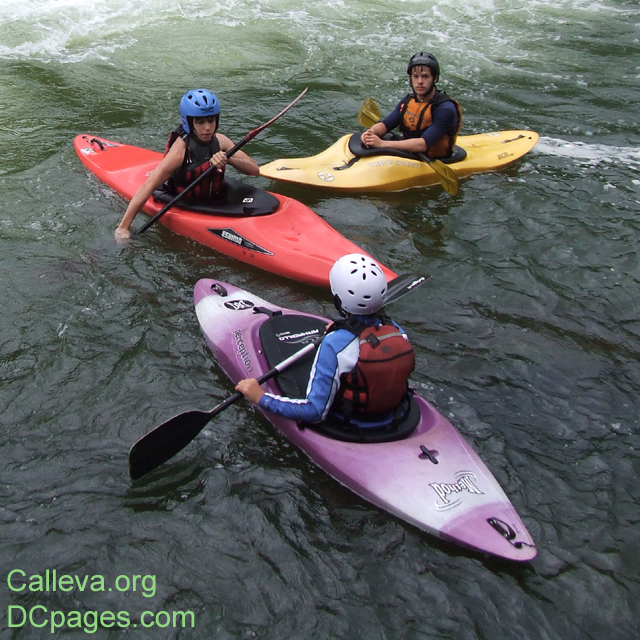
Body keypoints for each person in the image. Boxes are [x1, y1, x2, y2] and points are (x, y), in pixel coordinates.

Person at [235, 253, 416, 427]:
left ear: (338, 300)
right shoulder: (397, 332)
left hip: (351, 423)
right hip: (394, 415)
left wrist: (261, 397)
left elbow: (315, 412)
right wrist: (343, 329)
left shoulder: (334, 345)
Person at [115, 89, 260, 242]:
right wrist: (123, 227)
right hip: (187, 201)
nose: (207, 127)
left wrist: (228, 158)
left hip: (215, 199)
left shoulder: (221, 141)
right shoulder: (180, 151)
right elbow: (148, 186)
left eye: (211, 120)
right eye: (200, 122)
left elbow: (254, 170)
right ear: (189, 123)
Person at [361, 52, 462, 159]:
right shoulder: (408, 101)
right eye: (416, 76)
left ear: (435, 78)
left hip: (435, 159)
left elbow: (423, 144)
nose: (420, 82)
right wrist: (371, 132)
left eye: (425, 77)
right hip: (410, 154)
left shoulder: (445, 109)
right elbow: (386, 124)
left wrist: (382, 144)